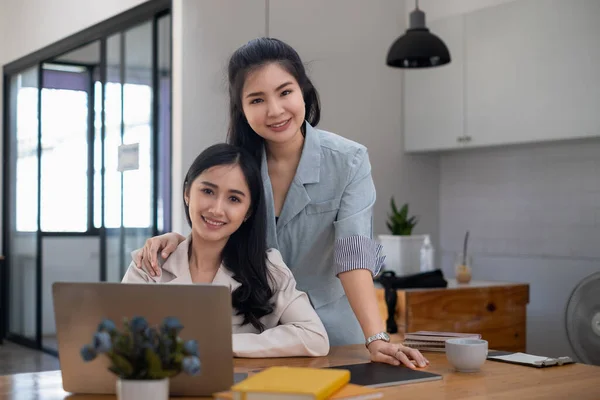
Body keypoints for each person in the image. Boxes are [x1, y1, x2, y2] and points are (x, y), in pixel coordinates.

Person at [135, 38, 428, 368]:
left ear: (303, 90)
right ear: (242, 109)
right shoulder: (237, 168)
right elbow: (218, 227)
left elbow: (353, 254)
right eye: (257, 99)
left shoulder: (349, 161)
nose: (274, 110)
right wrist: (178, 241)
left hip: (331, 337)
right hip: (255, 334)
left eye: (285, 92)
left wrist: (376, 336)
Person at [123, 143, 329, 359]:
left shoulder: (267, 267)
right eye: (208, 191)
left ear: (248, 211)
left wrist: (219, 343)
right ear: (187, 193)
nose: (216, 209)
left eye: (234, 199)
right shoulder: (150, 264)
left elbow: (315, 337)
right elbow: (119, 337)